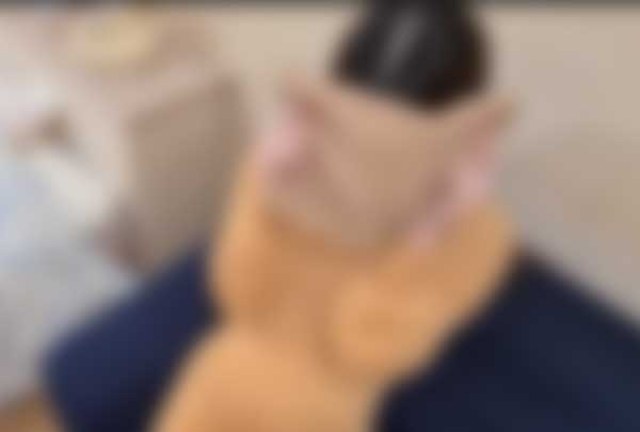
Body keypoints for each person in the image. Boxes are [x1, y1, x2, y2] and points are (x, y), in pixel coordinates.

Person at [46, 2, 640, 432]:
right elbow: (237, 291)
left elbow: (369, 350)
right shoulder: (294, 164)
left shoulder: (474, 233)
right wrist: (264, 184)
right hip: (223, 377)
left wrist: (430, 236)